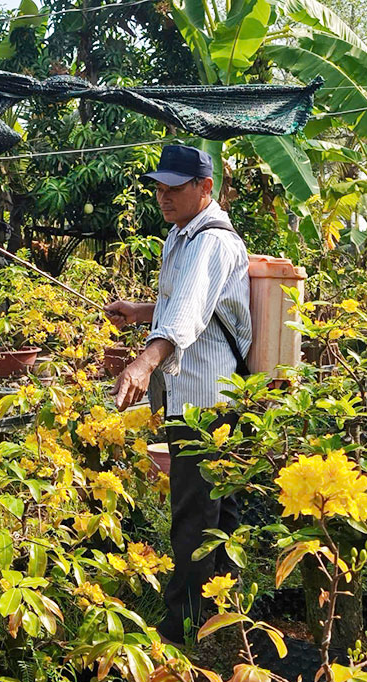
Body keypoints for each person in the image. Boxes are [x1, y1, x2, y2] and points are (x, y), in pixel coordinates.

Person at [105, 144, 251, 645]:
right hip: (197, 393)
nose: (163, 196)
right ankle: (223, 608)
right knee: (217, 508)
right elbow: (183, 304)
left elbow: (187, 314)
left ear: (205, 188)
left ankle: (181, 624)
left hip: (208, 400)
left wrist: (144, 361)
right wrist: (140, 310)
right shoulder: (180, 235)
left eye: (174, 187)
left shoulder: (211, 242)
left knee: (195, 512)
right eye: (159, 187)